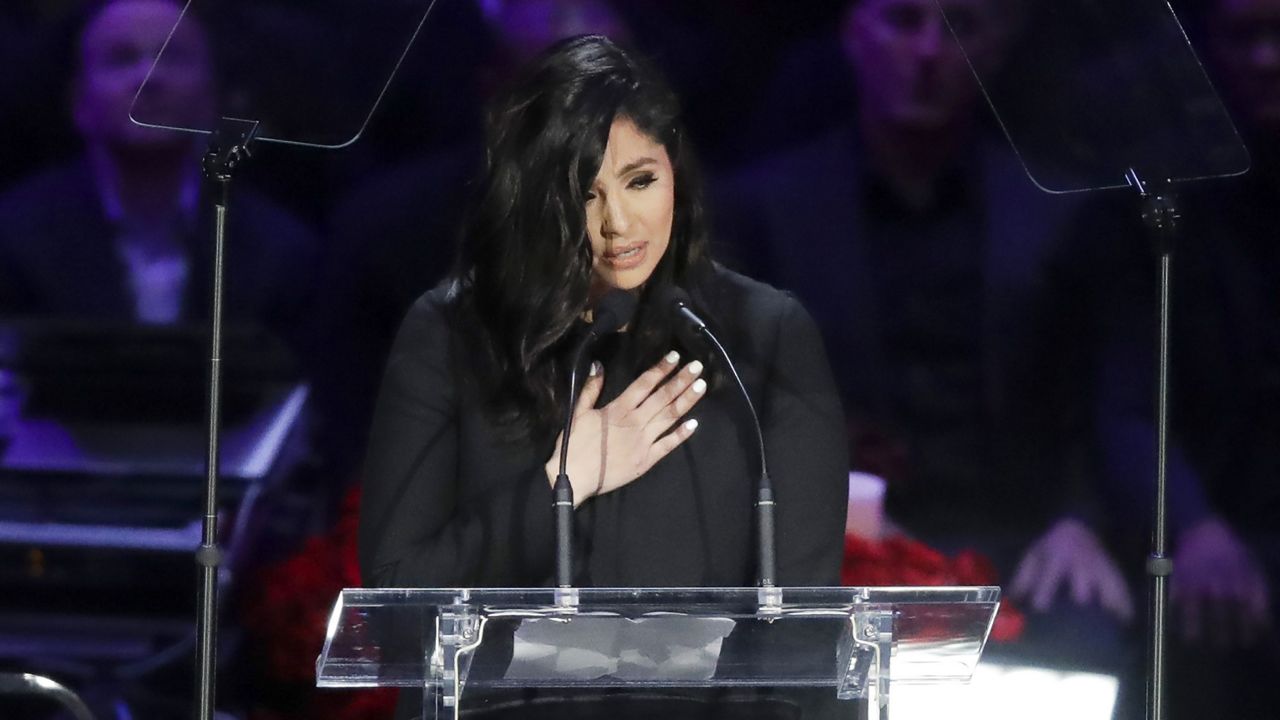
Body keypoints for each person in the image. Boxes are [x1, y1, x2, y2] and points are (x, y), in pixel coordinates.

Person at [358, 34, 849, 718]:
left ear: (676, 170)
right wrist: (562, 485)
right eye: (584, 194)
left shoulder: (763, 337)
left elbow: (804, 637)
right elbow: (393, 613)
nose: (619, 224)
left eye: (641, 180)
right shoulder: (450, 333)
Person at [716, 0, 1136, 684]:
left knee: (1086, 646)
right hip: (829, 549)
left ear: (999, 45)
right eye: (902, 21)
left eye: (961, 27)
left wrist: (1078, 520)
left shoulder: (1058, 213)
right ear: (853, 32)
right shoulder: (764, 208)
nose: (929, 53)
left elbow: (1102, 394)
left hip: (1016, 542)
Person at [0, 0, 317, 348]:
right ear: (78, 99)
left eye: (173, 57)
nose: (149, 78)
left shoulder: (278, 251)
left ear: (213, 95)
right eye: (121, 59)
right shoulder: (15, 241)